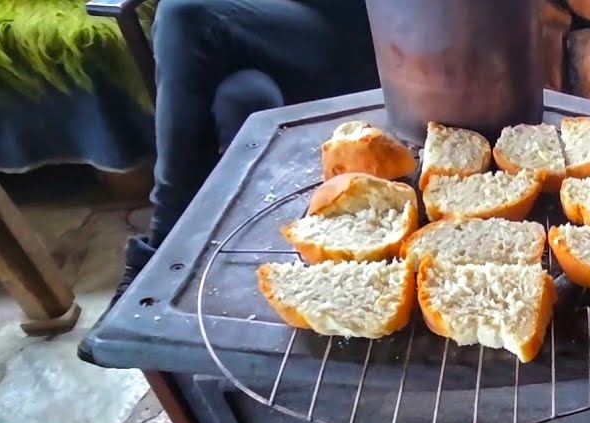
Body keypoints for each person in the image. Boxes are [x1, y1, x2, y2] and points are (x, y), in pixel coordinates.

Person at [96, 0, 379, 318]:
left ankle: (163, 242)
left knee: (185, 14)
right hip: (268, 32)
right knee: (242, 97)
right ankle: (227, 271)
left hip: (355, 26)